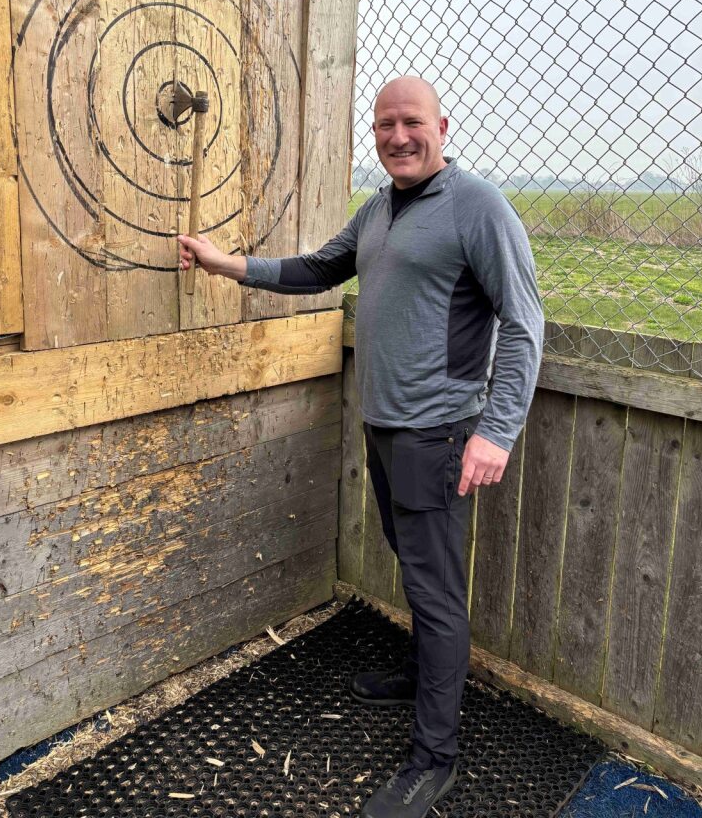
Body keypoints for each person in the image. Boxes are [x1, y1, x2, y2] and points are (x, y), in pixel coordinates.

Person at [177, 76, 544, 818]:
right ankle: (421, 676)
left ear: (442, 127)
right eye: (384, 125)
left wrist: (496, 431)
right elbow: (319, 268)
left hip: (438, 434)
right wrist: (227, 264)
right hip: (385, 428)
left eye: (411, 122)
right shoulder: (379, 208)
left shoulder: (477, 207)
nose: (397, 137)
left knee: (436, 593)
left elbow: (525, 320)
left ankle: (434, 758)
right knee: (415, 567)